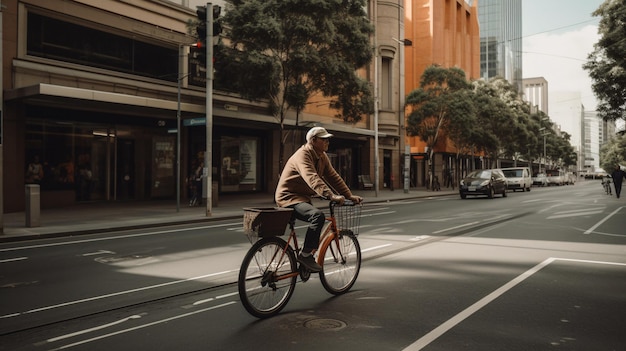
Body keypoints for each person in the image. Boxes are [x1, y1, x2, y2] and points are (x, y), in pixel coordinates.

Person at [275, 127, 363, 272]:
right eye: (324, 139)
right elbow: (312, 178)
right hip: (288, 198)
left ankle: (304, 259)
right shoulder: (303, 155)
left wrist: (349, 196)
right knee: (317, 216)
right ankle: (305, 255)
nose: (327, 142)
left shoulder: (321, 156)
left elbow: (334, 177)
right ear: (313, 140)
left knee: (315, 217)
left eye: (328, 139)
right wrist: (331, 195)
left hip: (301, 198)